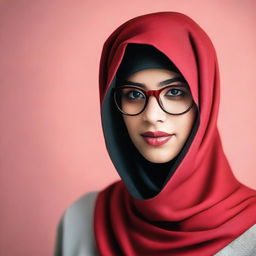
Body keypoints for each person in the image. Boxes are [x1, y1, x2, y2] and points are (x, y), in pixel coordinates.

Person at [54, 12, 256, 256]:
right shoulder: (82, 220)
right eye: (134, 94)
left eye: (174, 93)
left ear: (205, 98)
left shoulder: (251, 229)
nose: (151, 115)